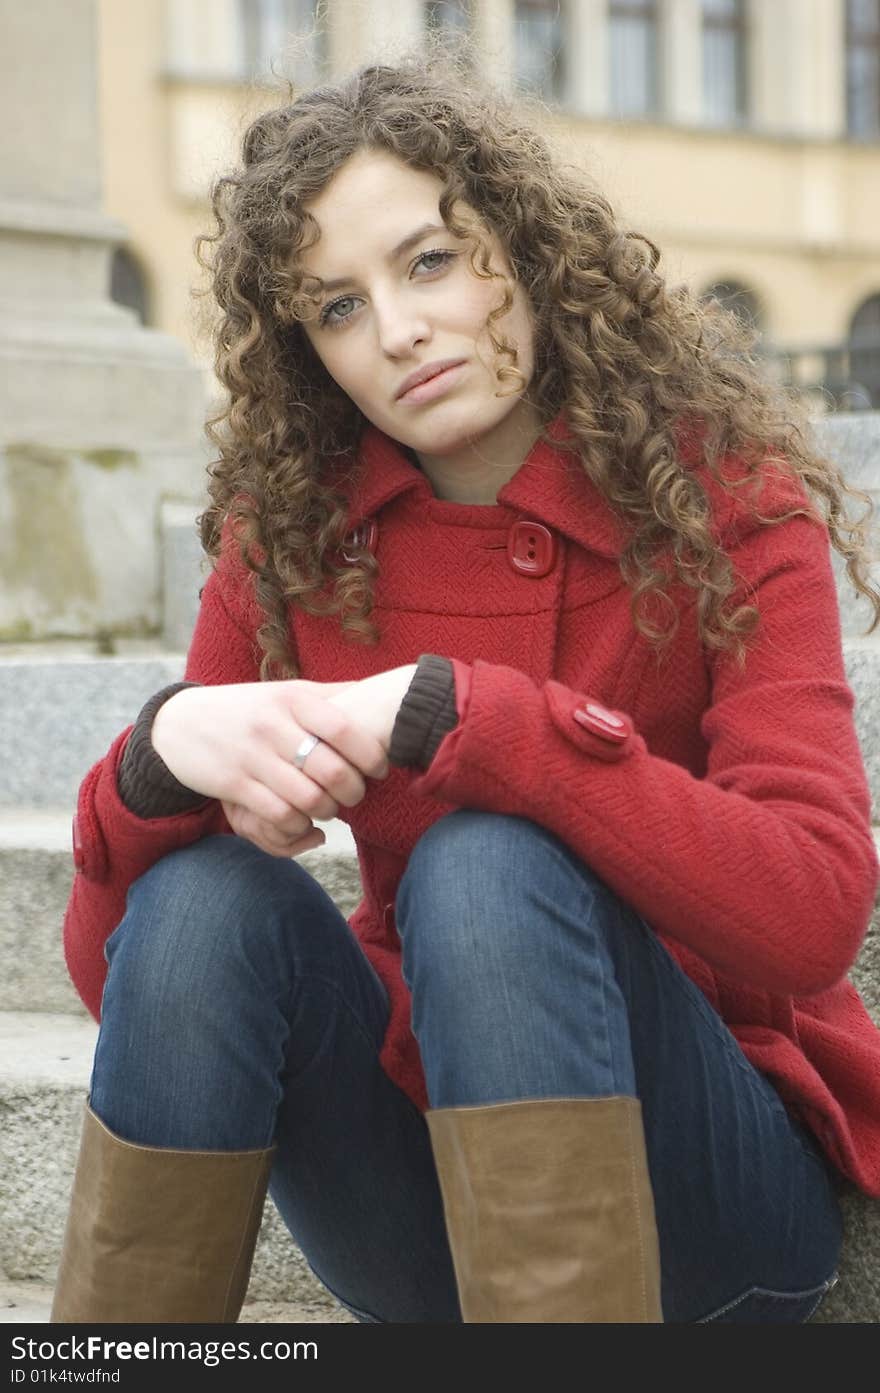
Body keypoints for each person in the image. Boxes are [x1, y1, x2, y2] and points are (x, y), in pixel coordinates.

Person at [50, 51, 880, 1326]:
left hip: (707, 1190)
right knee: (208, 892)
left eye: (429, 261)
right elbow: (138, 985)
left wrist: (481, 726)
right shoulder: (292, 538)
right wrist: (161, 760)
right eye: (334, 307)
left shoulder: (727, 496)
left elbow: (812, 911)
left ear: (527, 250)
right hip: (414, 1189)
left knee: (486, 858)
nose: (395, 331)